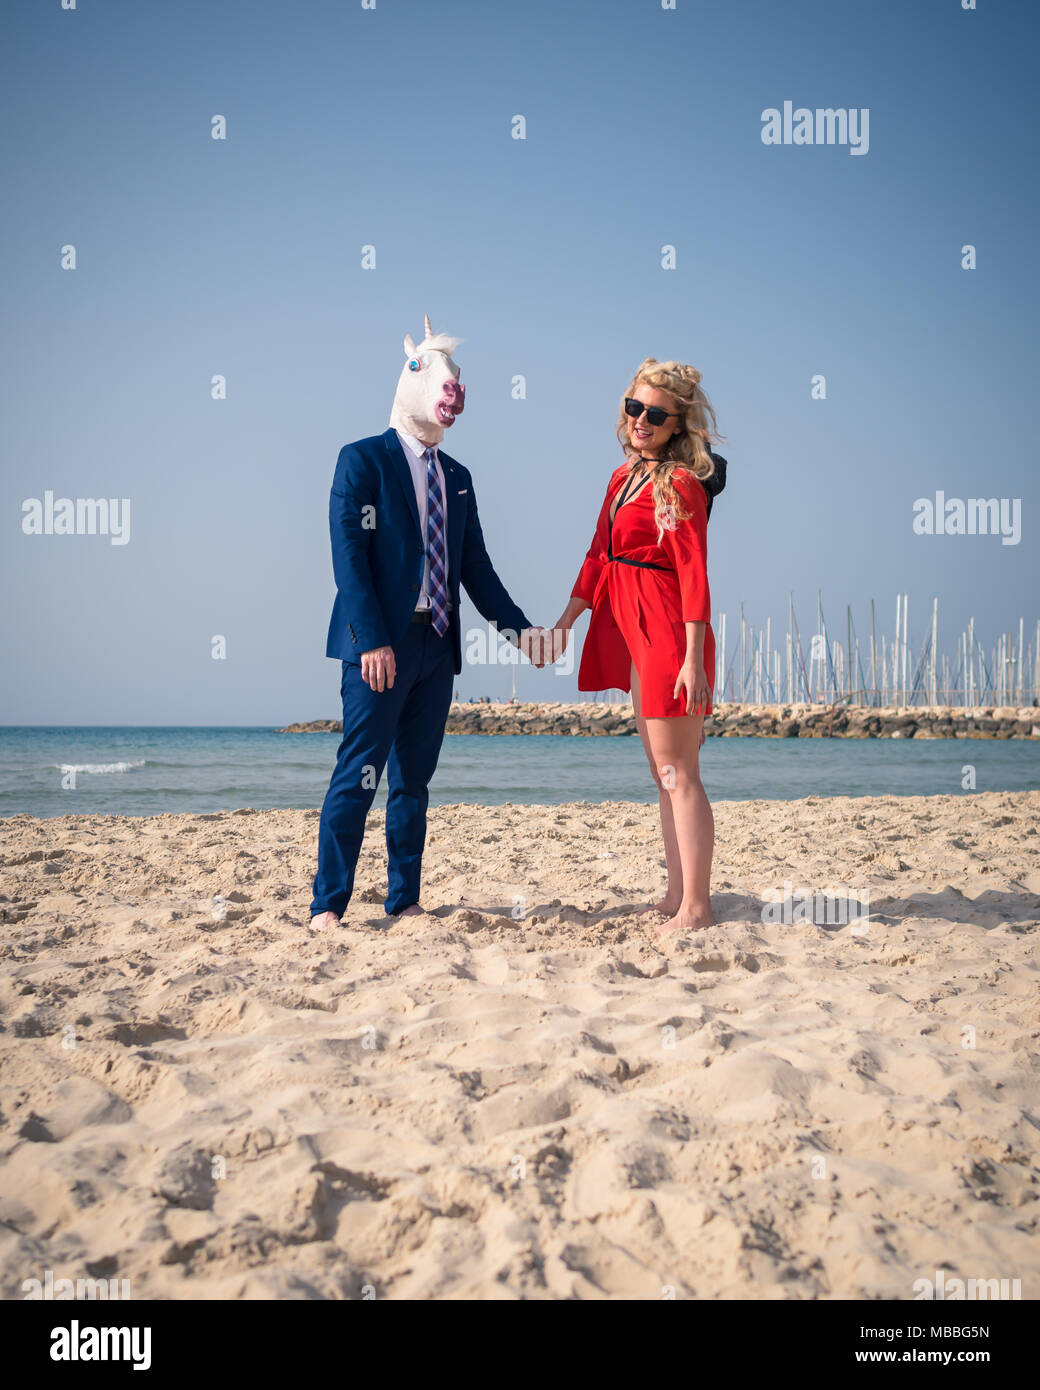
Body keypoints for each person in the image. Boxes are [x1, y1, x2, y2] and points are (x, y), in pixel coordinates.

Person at [309, 316, 546, 929]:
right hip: (379, 648)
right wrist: (373, 639)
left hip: (436, 648)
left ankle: (404, 898)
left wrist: (522, 633)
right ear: (409, 376)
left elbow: (477, 569)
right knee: (358, 774)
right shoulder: (361, 460)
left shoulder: (459, 480)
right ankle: (328, 905)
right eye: (440, 376)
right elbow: (348, 558)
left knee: (414, 781)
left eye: (458, 381)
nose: (452, 390)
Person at [551, 359, 722, 934]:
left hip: (669, 632)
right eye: (634, 408)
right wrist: (566, 621)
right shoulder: (621, 478)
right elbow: (598, 554)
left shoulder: (680, 484)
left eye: (655, 414)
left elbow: (694, 574)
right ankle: (678, 894)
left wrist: (693, 661)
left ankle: (697, 907)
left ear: (677, 424)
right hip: (631, 626)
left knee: (680, 770)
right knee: (663, 774)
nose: (640, 421)